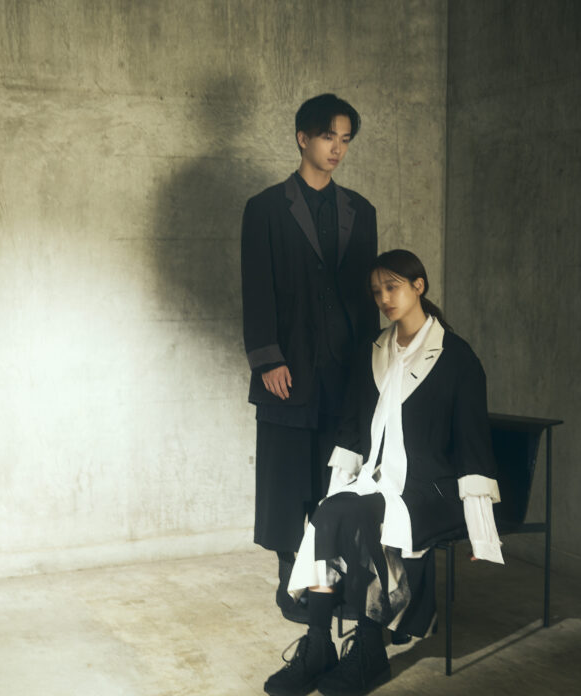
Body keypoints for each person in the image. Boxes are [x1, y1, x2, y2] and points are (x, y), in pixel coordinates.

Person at [263, 249, 504, 696]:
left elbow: (474, 447)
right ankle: (318, 645)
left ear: (419, 286)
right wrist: (337, 494)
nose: (383, 299)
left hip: (431, 491)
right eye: (376, 292)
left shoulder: (457, 358)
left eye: (392, 287)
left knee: (362, 518)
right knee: (329, 513)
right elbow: (352, 432)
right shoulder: (373, 352)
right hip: (377, 482)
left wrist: (481, 530)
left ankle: (370, 648)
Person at [241, 94, 380, 624]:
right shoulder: (265, 209)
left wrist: (372, 368)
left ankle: (328, 585)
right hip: (289, 370)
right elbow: (256, 289)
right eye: (328, 137)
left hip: (345, 372)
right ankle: (291, 584)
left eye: (345, 140)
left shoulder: (360, 211)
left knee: (335, 482)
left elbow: (367, 296)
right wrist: (267, 359)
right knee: (287, 484)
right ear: (303, 139)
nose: (337, 149)